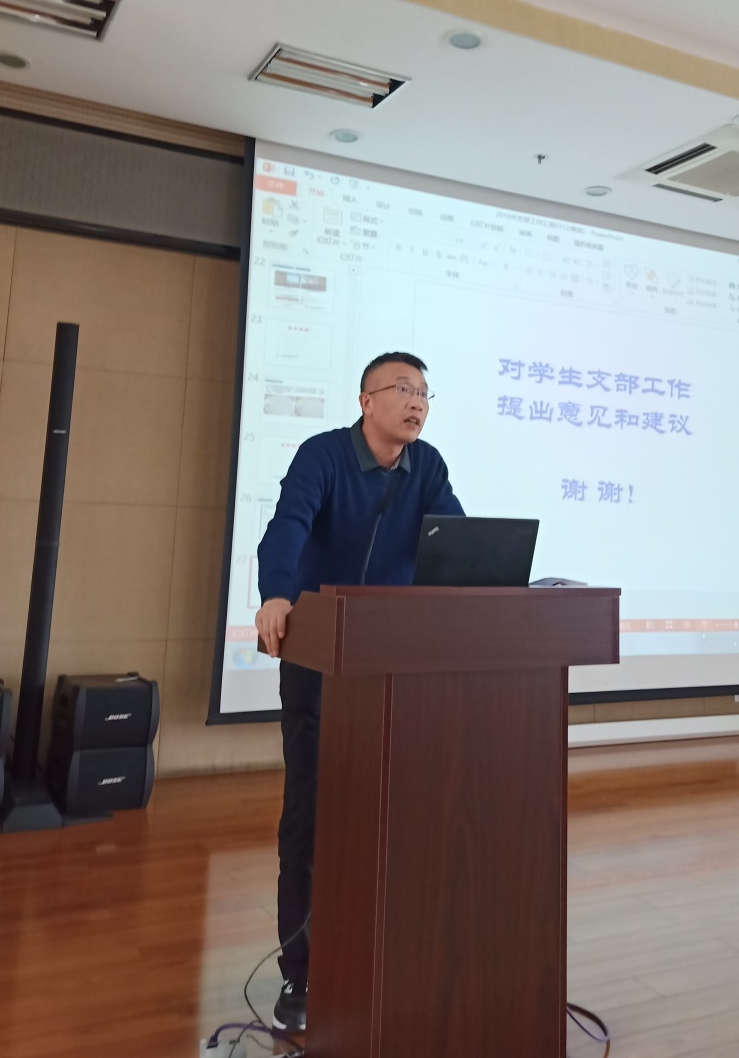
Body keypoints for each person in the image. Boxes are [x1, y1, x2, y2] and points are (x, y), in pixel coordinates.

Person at [255, 351, 464, 1034]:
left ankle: (387, 951)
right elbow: (287, 527)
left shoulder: (426, 466)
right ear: (366, 400)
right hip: (318, 653)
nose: (417, 401)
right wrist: (277, 595)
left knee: (396, 813)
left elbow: (460, 545)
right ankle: (302, 970)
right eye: (403, 388)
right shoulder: (322, 456)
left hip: (393, 662)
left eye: (424, 392)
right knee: (312, 812)